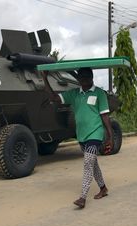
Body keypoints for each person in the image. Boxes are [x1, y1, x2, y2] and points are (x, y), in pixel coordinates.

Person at [42, 68, 113, 209]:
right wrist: (45, 78)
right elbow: (54, 98)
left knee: (88, 162)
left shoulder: (99, 93)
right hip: (82, 135)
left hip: (95, 134)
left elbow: (104, 116)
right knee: (93, 164)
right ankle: (103, 188)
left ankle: (82, 197)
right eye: (81, 77)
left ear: (92, 77)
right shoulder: (74, 94)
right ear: (78, 79)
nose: (84, 79)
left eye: (87, 77)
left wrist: (110, 137)